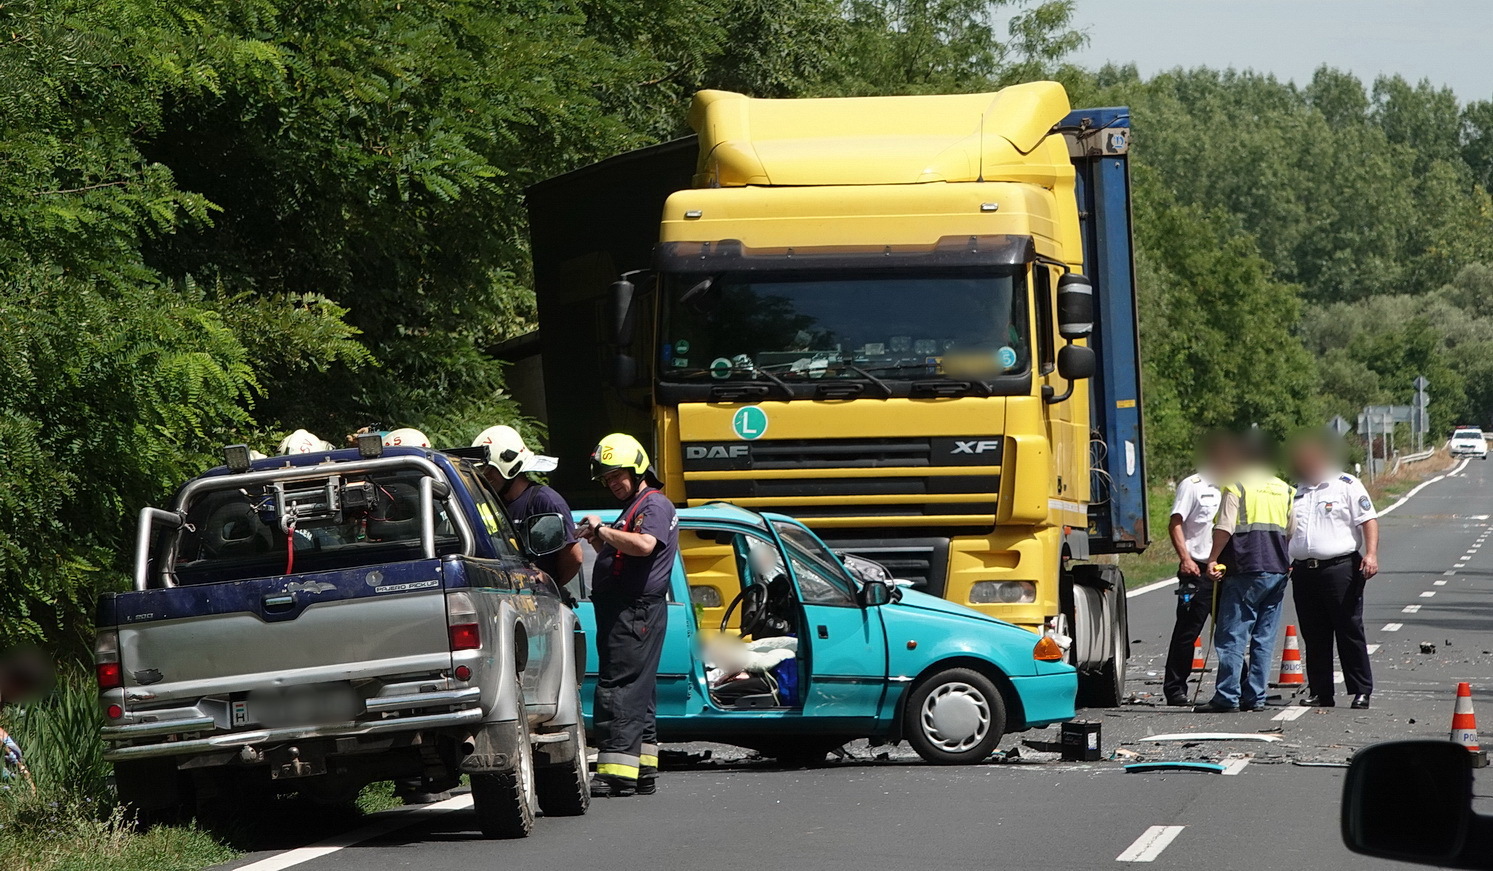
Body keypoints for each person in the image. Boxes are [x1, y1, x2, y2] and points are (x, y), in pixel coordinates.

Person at [578, 433, 678, 798]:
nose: (612, 484)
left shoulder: (652, 505)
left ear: (638, 469)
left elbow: (645, 545)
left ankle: (615, 772)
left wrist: (604, 529)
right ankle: (642, 769)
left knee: (618, 688)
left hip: (632, 609)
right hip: (632, 610)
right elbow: (625, 551)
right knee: (639, 691)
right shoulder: (639, 506)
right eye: (606, 479)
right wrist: (598, 537)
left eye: (617, 475)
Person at [1195, 435, 1295, 714]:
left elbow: (1225, 526)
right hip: (1277, 568)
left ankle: (1227, 696)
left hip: (1245, 568)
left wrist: (1213, 558)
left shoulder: (1236, 484)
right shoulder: (1284, 489)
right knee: (1264, 637)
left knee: (1232, 635)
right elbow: (1292, 531)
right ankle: (1256, 697)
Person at [1287, 432, 1379, 709]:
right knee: (1314, 634)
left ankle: (1361, 689)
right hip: (1304, 571)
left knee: (1349, 630)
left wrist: (1372, 554)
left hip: (1339, 569)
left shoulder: (1346, 485)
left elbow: (1368, 519)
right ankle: (1321, 691)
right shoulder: (1296, 490)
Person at [1161, 435, 1229, 706]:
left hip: (1225, 570)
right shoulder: (1193, 485)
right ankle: (1175, 688)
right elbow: (1176, 522)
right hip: (1197, 568)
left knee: (1229, 632)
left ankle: (1234, 686)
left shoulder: (1234, 488)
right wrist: (1185, 558)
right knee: (1188, 632)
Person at [471, 425, 582, 586]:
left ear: (510, 466)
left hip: (540, 602)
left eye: (489, 471)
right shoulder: (492, 504)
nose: (485, 478)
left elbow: (574, 557)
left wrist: (550, 585)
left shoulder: (546, 501)